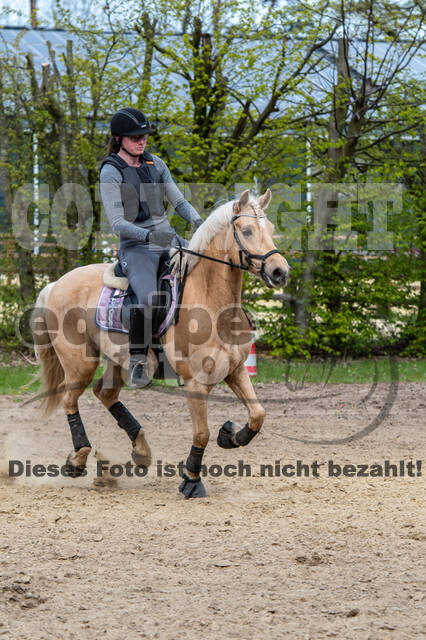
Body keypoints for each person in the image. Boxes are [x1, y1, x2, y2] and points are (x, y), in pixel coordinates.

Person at [99, 107, 203, 387]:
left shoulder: (156, 164)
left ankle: (188, 352)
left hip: (167, 239)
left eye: (144, 136)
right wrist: (150, 239)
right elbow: (118, 223)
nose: (141, 141)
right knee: (147, 299)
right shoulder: (111, 171)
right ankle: (138, 362)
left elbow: (179, 203)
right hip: (136, 247)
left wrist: (200, 223)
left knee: (204, 273)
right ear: (120, 139)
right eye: (135, 137)